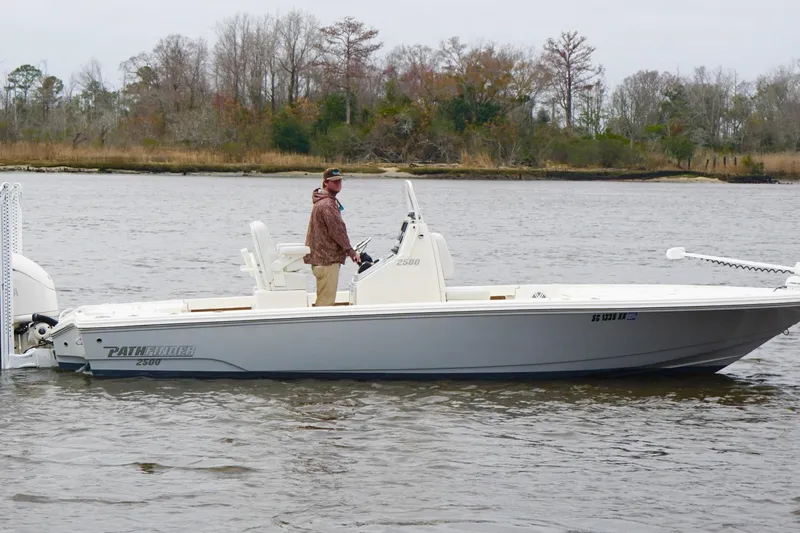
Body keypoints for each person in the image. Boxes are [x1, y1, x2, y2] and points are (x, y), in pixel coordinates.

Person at [304, 168, 360, 306]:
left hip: (320, 260)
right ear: (325, 183)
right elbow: (337, 231)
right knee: (326, 303)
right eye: (335, 181)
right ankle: (319, 326)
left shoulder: (321, 202)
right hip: (327, 260)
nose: (338, 184)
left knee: (323, 298)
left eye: (340, 181)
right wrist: (351, 252)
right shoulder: (328, 204)